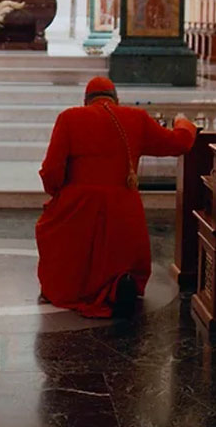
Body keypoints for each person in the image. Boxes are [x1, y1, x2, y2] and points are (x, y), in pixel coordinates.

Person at [35, 76, 197, 319]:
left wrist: (59, 193)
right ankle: (119, 284)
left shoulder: (69, 118)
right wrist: (183, 123)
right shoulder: (136, 118)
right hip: (123, 206)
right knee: (119, 249)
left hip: (79, 203)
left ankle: (68, 288)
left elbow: (51, 171)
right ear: (116, 99)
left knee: (51, 228)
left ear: (86, 101)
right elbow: (178, 143)